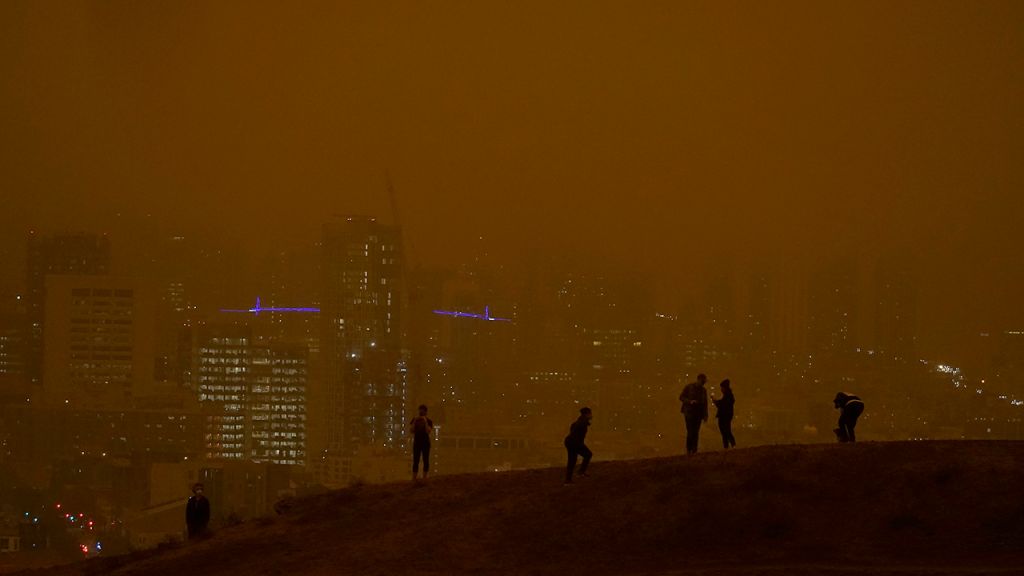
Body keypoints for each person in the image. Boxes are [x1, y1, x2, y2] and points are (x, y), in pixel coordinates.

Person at [679, 373, 709, 455]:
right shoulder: (689, 387)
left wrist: (705, 414)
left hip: (698, 414)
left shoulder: (703, 390)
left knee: (696, 432)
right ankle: (689, 450)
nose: (703, 383)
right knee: (690, 431)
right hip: (689, 413)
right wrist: (690, 402)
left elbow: (705, 403)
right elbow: (681, 397)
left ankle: (694, 450)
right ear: (698, 379)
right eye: (702, 381)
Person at [564, 407, 593, 484]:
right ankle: (580, 472)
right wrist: (579, 445)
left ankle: (568, 480)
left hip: (570, 441)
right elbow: (579, 436)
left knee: (572, 460)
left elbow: (572, 429)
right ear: (587, 414)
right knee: (588, 455)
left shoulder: (578, 421)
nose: (591, 415)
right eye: (590, 413)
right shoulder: (582, 423)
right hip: (574, 442)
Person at [410, 404, 434, 482]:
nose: (420, 411)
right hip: (417, 442)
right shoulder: (415, 419)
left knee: (425, 459)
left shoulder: (429, 421)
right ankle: (414, 477)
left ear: (426, 412)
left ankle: (425, 477)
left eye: (422, 410)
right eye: (420, 410)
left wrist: (425, 421)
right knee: (415, 460)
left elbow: (428, 431)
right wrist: (415, 421)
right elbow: (411, 430)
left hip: (425, 442)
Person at [712, 379, 736, 449]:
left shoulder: (728, 396)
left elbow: (722, 404)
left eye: (722, 388)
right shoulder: (729, 396)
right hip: (727, 416)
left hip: (724, 416)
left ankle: (730, 445)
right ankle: (728, 446)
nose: (721, 389)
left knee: (725, 431)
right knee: (726, 431)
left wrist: (715, 402)